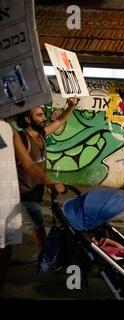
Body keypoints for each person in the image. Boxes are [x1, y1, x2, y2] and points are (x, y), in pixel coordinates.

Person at [0, 119, 63, 295]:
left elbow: (28, 163)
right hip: (17, 193)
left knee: (5, 250)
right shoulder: (16, 132)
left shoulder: (8, 130)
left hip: (6, 196)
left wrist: (49, 184)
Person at [14, 98, 76, 248]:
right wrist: (49, 182)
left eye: (43, 114)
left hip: (35, 191)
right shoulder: (22, 139)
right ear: (29, 119)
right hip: (24, 193)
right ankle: (46, 255)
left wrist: (71, 107)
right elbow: (28, 165)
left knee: (34, 224)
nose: (44, 118)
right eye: (40, 115)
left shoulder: (40, 134)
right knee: (38, 223)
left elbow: (59, 122)